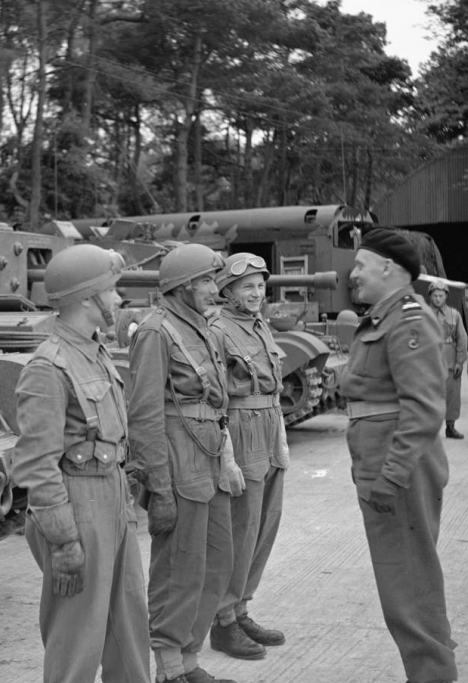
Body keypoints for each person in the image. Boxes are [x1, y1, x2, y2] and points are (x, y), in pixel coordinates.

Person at [12, 244, 151, 683]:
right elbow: (37, 465)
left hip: (110, 496)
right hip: (77, 507)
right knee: (77, 634)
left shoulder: (94, 351)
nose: (118, 300)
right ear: (88, 298)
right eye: (112, 291)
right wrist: (64, 541)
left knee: (128, 623)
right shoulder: (47, 368)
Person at [339, 228, 458, 683]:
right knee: (404, 581)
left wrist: (390, 476)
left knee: (408, 585)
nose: (355, 275)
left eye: (362, 266)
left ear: (389, 268)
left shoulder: (408, 318)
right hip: (383, 464)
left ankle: (432, 674)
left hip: (399, 470)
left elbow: (425, 409)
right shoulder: (384, 316)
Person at [127, 243, 241, 683]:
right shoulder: (156, 332)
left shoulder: (205, 329)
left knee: (216, 561)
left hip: (209, 457)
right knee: (178, 566)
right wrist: (158, 487)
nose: (216, 289)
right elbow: (144, 414)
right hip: (177, 461)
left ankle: (190, 660)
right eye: (208, 281)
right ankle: (169, 668)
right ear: (182, 285)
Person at [207, 252, 289, 661]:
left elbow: (271, 384)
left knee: (264, 526)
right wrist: (226, 453)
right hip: (241, 430)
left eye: (260, 285)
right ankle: (223, 621)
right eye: (247, 286)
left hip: (270, 427)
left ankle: (240, 608)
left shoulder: (259, 325)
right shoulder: (218, 330)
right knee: (240, 528)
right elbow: (217, 398)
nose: (257, 293)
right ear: (227, 290)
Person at [427, 279, 467, 439]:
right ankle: (429, 429)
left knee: (452, 394)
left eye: (441, 295)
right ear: (430, 296)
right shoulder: (424, 313)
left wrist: (459, 361)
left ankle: (450, 427)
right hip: (430, 360)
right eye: (435, 295)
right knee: (429, 395)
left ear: (446, 296)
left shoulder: (454, 314)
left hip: (450, 359)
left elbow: (462, 339)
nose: (437, 299)